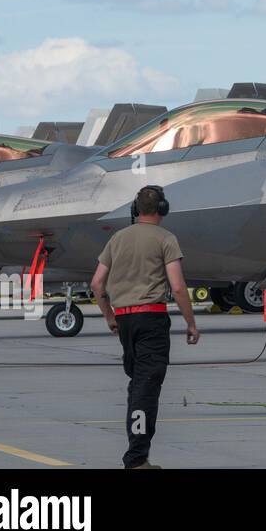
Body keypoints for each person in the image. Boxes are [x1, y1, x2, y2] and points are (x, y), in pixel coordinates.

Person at [90, 185, 200, 468]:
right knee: (145, 388)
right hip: (151, 319)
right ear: (162, 209)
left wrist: (110, 317)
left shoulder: (117, 238)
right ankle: (137, 459)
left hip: (125, 320)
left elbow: (97, 283)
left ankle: (138, 454)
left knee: (138, 383)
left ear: (135, 210)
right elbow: (177, 286)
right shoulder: (166, 238)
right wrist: (191, 323)